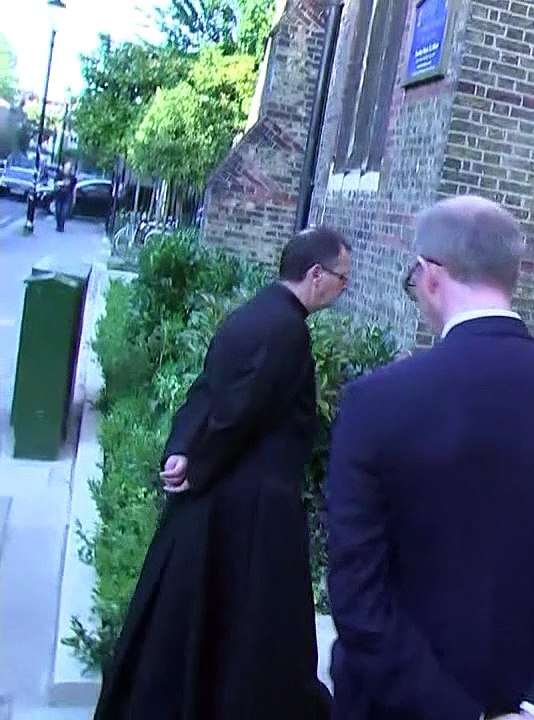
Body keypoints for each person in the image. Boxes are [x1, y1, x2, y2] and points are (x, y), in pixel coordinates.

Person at [324, 195, 534, 720]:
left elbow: (358, 592)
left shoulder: (375, 403)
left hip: (395, 705)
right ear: (510, 276)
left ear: (429, 276)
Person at [93, 227, 352, 720]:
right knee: (248, 639)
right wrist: (198, 462)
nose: (342, 289)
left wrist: (184, 451)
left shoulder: (254, 314)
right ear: (315, 275)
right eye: (341, 279)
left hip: (221, 500)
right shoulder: (285, 329)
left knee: (194, 630)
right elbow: (240, 405)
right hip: (247, 511)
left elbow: (207, 392)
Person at [53, 160, 77, 232]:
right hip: (59, 195)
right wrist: (61, 183)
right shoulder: (60, 174)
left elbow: (74, 189)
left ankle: (61, 226)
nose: (67, 168)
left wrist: (74, 198)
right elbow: (55, 183)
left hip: (67, 196)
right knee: (58, 211)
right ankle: (58, 225)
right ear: (64, 167)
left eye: (69, 167)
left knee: (64, 211)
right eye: (66, 166)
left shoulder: (72, 177)